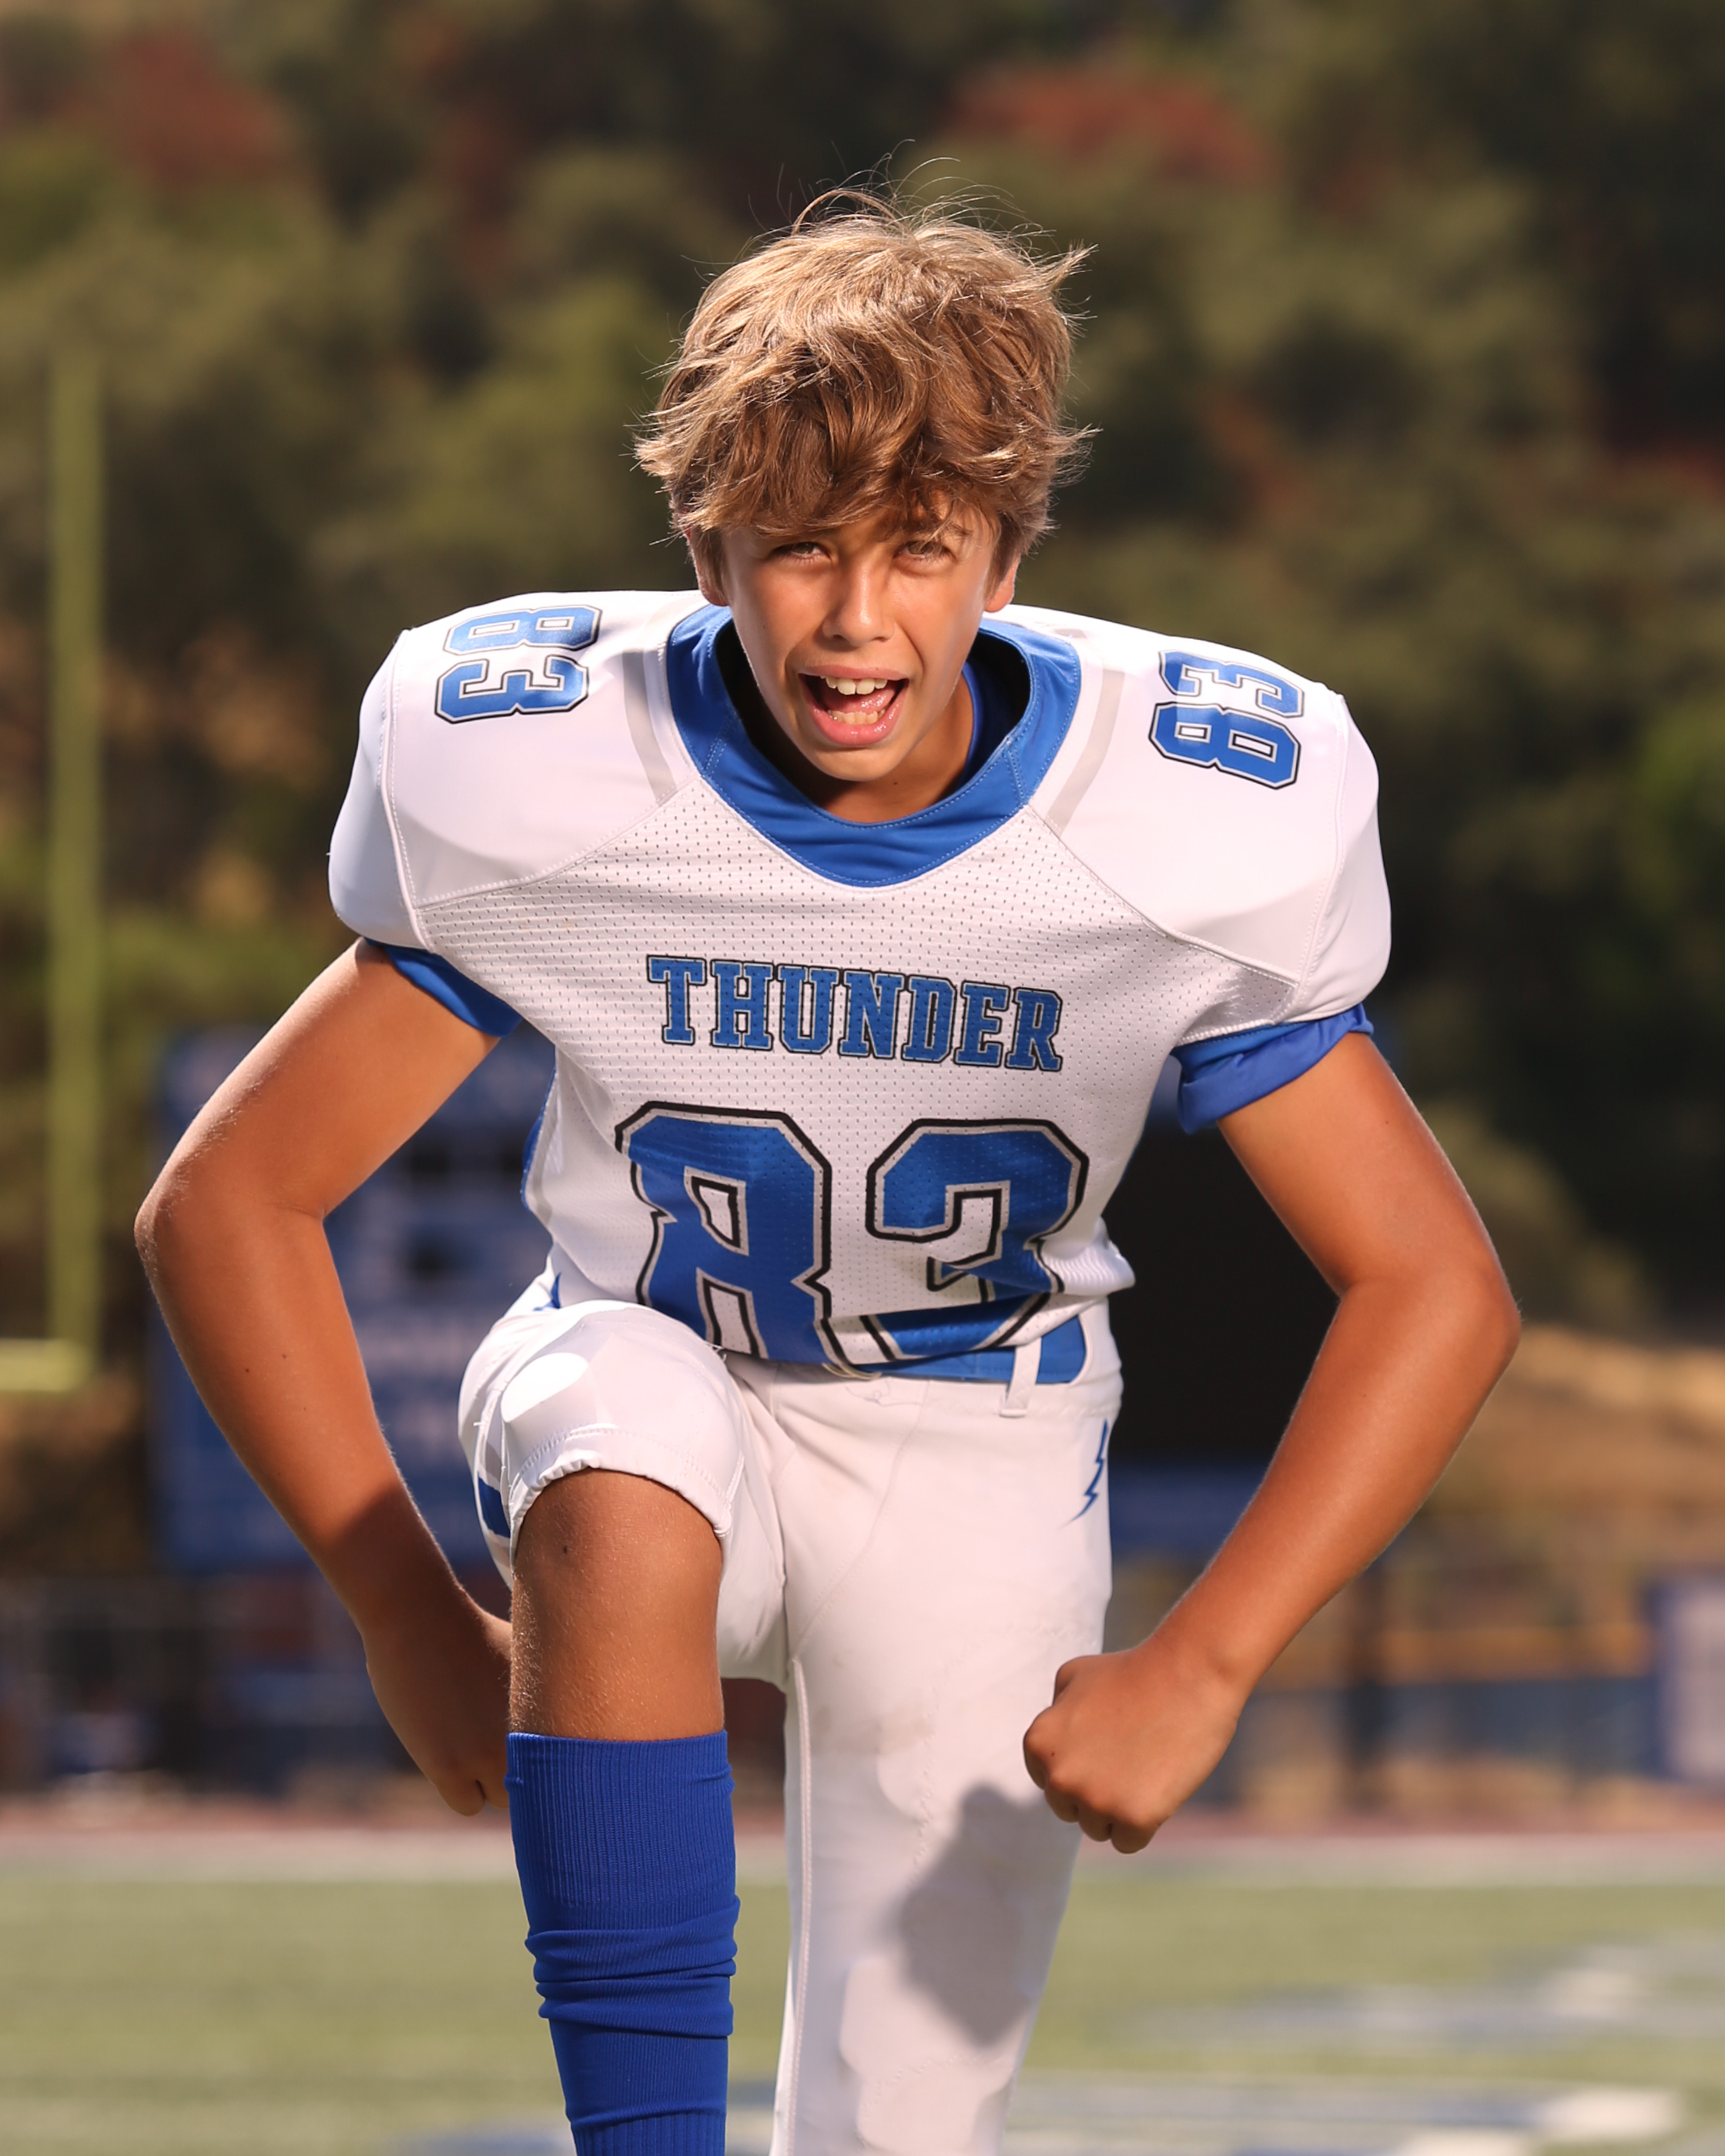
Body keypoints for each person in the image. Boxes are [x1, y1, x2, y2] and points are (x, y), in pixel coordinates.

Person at [137, 196, 1519, 2156]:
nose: (857, 615)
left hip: (984, 1440)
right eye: (797, 545)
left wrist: (1208, 1659)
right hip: (644, 1350)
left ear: (1010, 554)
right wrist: (401, 1606)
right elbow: (228, 1198)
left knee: (895, 2125)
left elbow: (1433, 1283)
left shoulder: (1184, 821)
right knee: (620, 1464)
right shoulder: (550, 775)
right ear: (705, 547)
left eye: (920, 547)